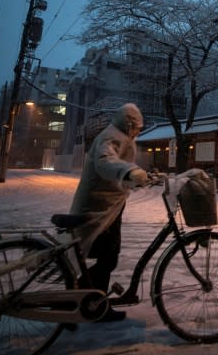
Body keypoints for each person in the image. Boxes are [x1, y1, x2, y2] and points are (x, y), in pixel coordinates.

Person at [69, 102, 148, 322]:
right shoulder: (112, 136)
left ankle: (88, 300)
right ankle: (89, 301)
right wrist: (130, 171)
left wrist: (136, 175)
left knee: (107, 255)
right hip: (97, 207)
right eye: (137, 126)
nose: (138, 131)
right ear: (129, 123)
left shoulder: (119, 135)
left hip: (107, 206)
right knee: (107, 255)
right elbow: (106, 162)